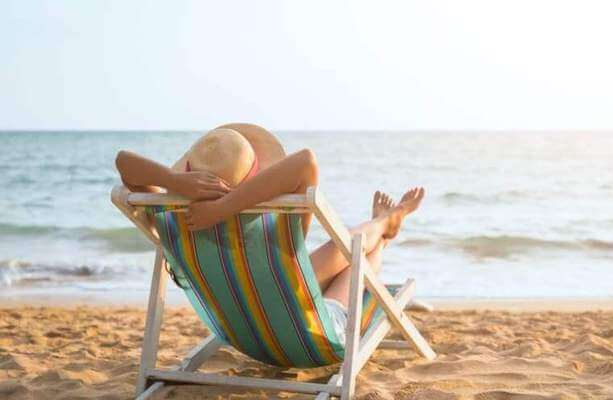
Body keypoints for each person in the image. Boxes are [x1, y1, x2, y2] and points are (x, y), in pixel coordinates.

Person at [115, 123, 424, 341]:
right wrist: (226, 207)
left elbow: (123, 162)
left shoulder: (175, 222)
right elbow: (306, 161)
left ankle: (385, 223)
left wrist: (177, 182)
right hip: (306, 329)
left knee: (340, 249)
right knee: (357, 252)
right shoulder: (268, 234)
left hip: (240, 327)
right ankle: (385, 229)